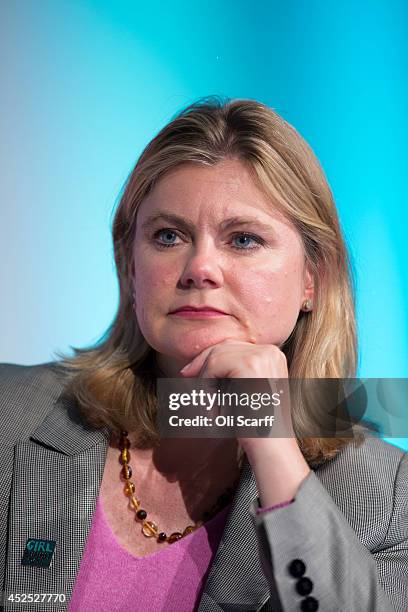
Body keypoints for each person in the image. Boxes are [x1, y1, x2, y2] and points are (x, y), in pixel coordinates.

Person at [0, 96, 406, 612]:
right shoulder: (11, 414)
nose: (200, 267)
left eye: (243, 239)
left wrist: (274, 448)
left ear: (312, 279)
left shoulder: (387, 497)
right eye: (168, 236)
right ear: (130, 267)